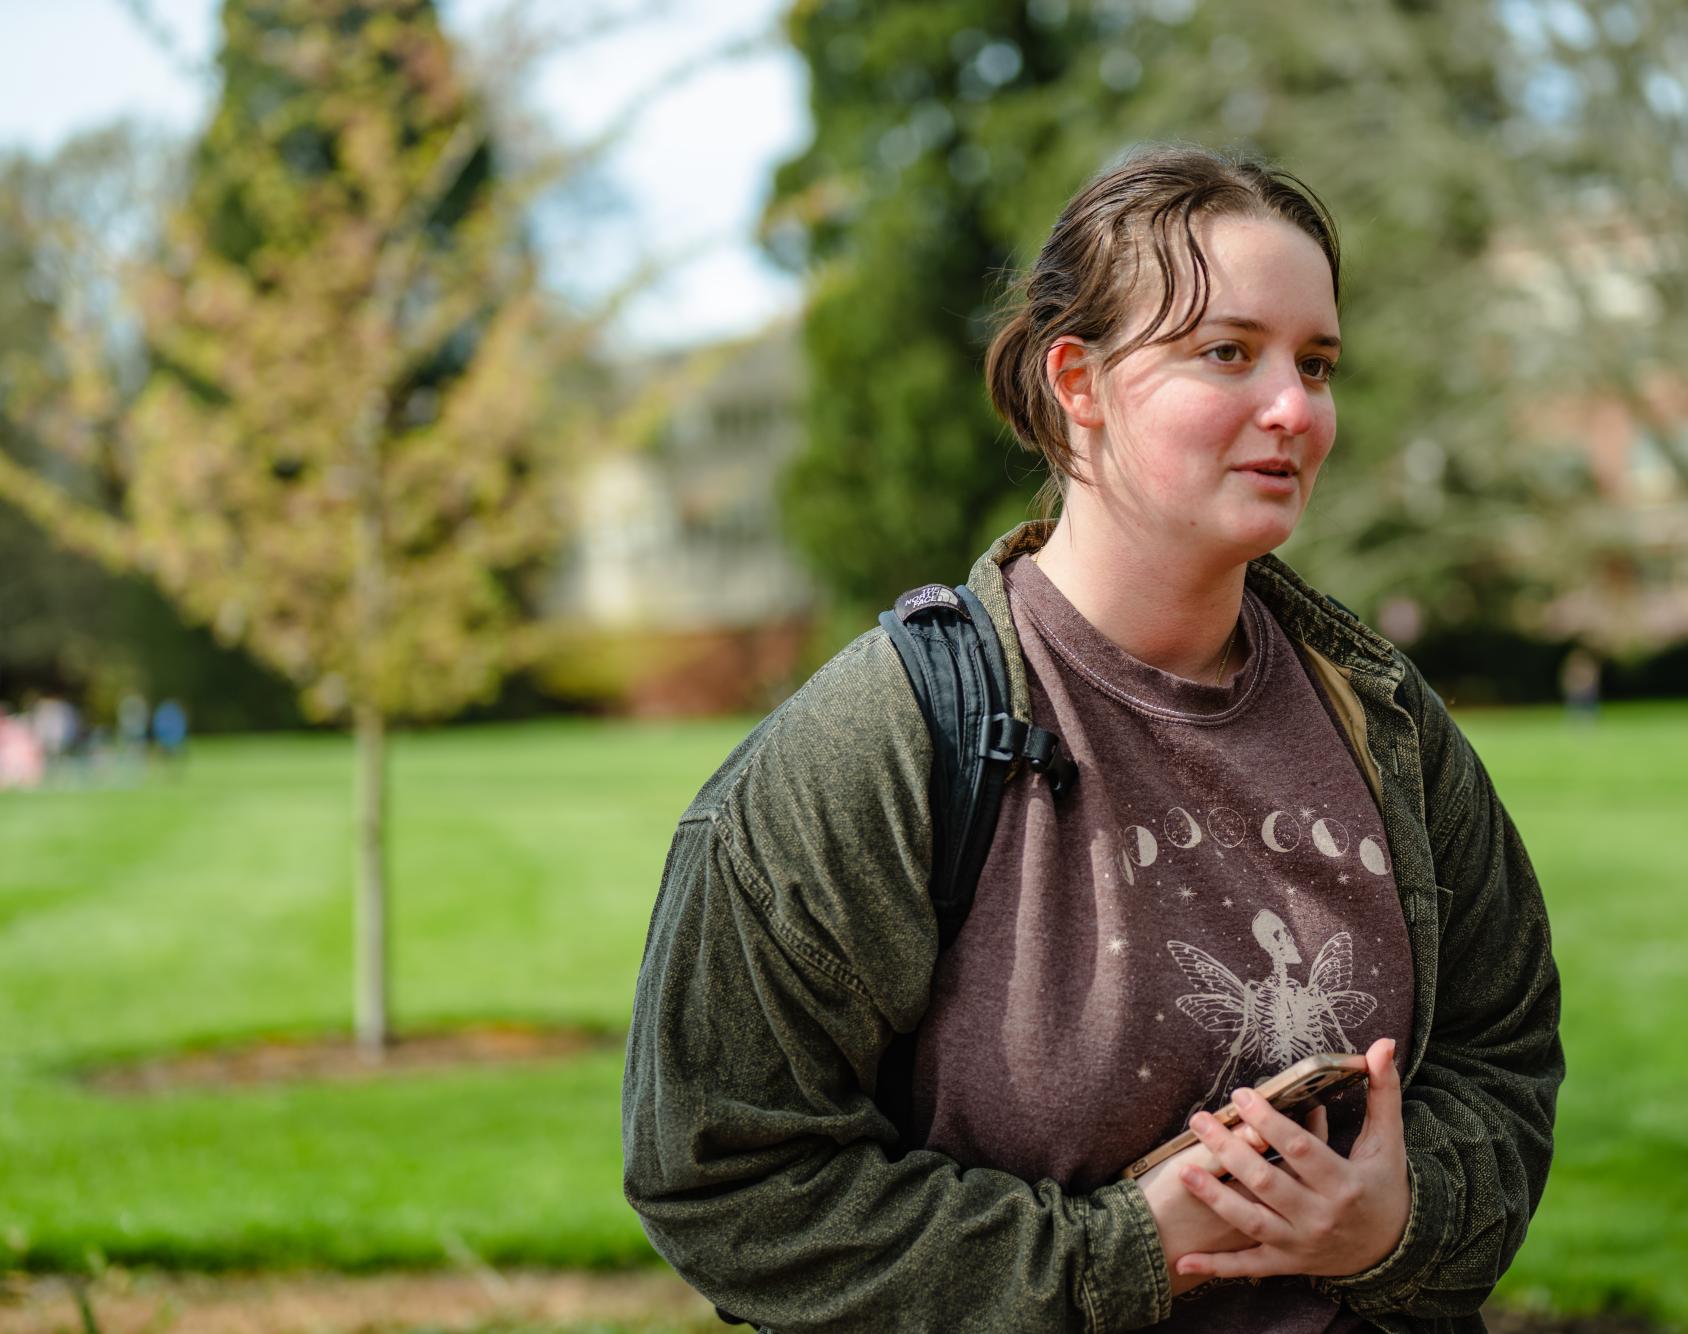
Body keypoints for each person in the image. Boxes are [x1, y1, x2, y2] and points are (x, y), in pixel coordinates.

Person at [623, 145, 1562, 1333]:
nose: (1295, 407)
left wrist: (1396, 1223)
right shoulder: (889, 740)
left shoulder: (1382, 715)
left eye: (1315, 363)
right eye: (1228, 351)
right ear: (1079, 381)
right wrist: (1119, 1253)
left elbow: (1503, 1051)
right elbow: (727, 1179)